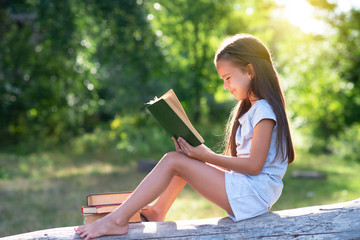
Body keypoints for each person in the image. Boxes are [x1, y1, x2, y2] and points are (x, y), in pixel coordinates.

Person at [75, 33, 295, 239]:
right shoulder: (254, 109)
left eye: (228, 78)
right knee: (183, 159)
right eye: (223, 80)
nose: (226, 86)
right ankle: (157, 211)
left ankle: (117, 219)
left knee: (173, 161)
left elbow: (254, 166)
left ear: (250, 70)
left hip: (253, 195)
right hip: (248, 190)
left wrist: (206, 156)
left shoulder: (264, 111)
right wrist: (196, 155)